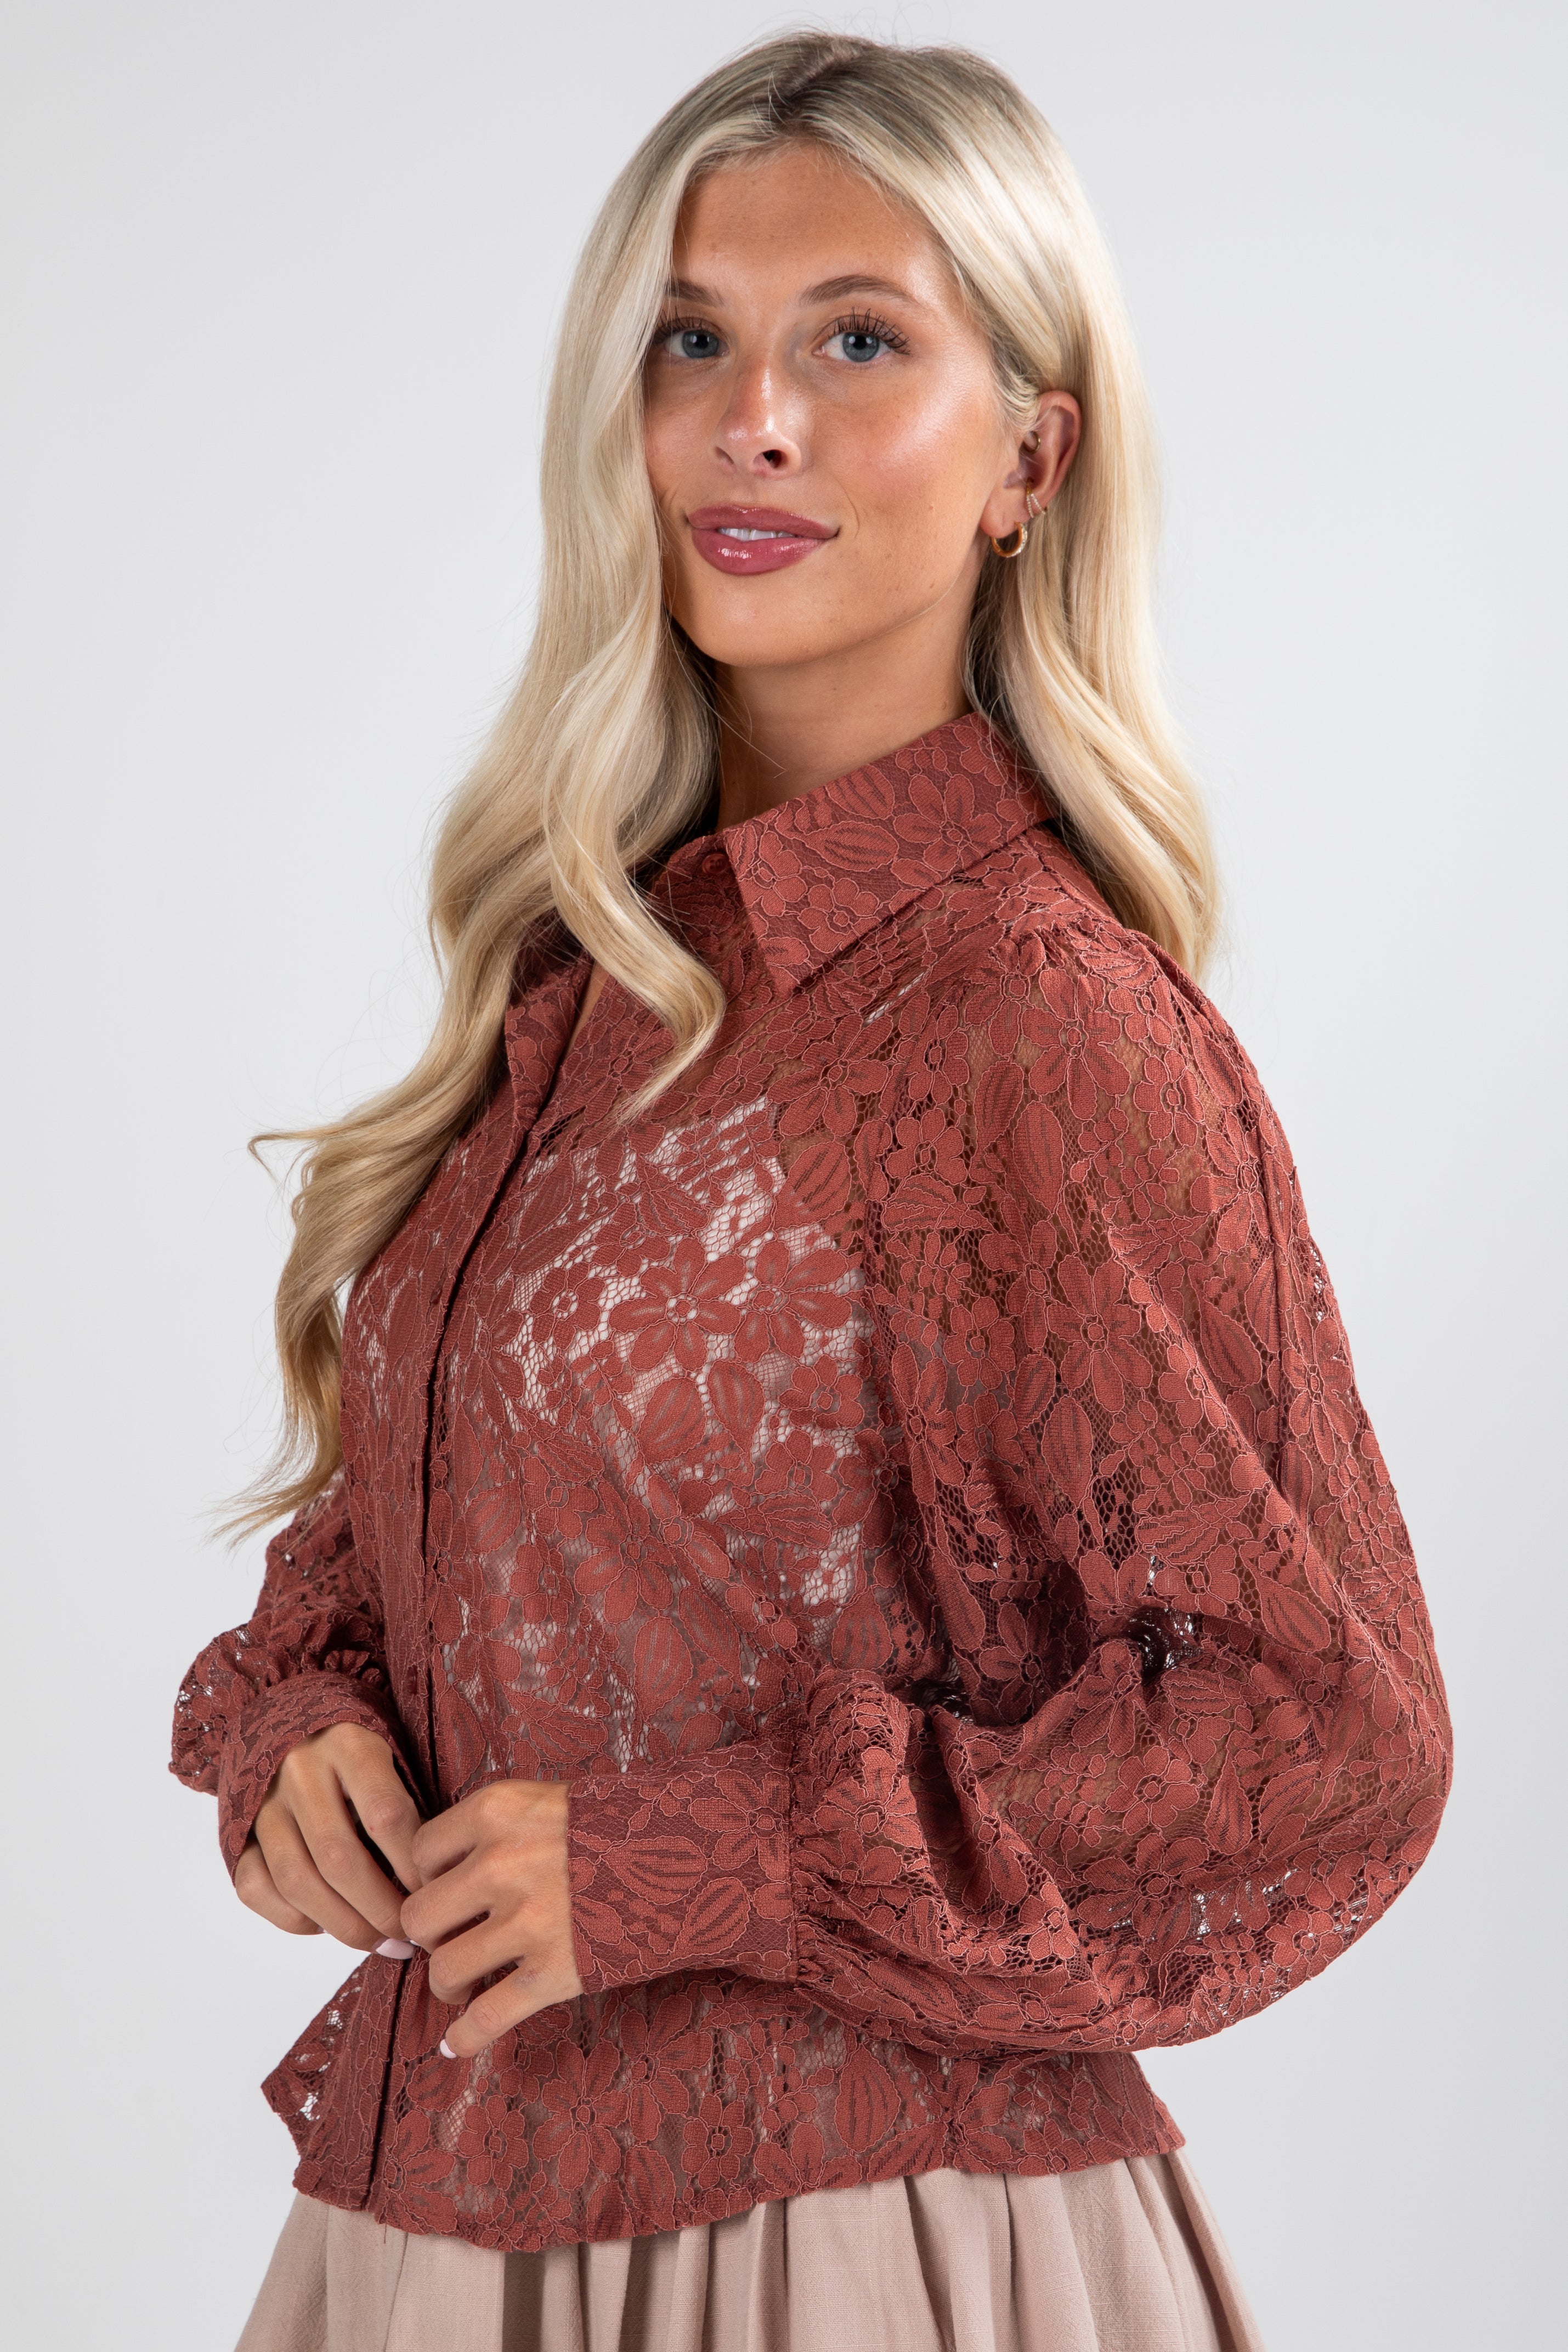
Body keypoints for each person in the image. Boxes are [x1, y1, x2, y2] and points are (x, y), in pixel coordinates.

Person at [173, 33, 1452, 2352]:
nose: (751, 420)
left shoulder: (1041, 1020)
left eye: (857, 339)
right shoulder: (578, 987)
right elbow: (429, 1558)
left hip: (858, 2257)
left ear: (1029, 458)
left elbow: (1329, 1737)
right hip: (429, 2233)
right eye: (692, 342)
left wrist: (697, 1861)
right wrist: (303, 1737)